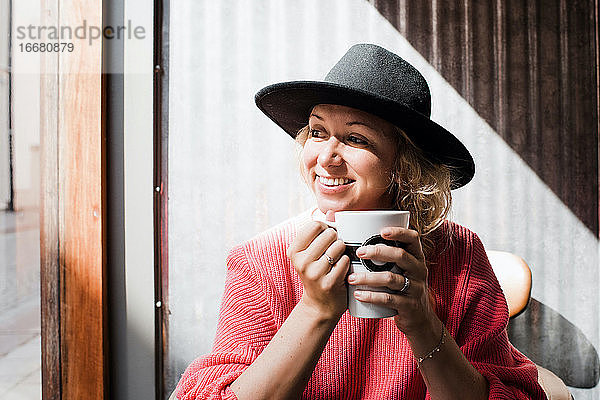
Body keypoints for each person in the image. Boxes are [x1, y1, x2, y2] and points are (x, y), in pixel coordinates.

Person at [174, 44, 547, 399]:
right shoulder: (260, 261)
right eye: (317, 132)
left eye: (355, 138)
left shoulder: (458, 253)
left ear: (403, 166)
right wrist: (315, 309)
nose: (327, 157)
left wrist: (422, 322)